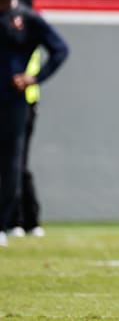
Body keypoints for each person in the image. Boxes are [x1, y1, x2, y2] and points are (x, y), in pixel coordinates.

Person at [0, 0, 69, 247]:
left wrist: (34, 78)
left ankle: (5, 223)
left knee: (12, 163)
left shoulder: (26, 18)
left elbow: (60, 49)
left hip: (15, 102)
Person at [9, 49, 46, 237]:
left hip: (23, 102)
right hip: (13, 101)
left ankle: (23, 220)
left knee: (17, 164)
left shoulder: (25, 31)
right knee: (14, 164)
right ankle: (20, 220)